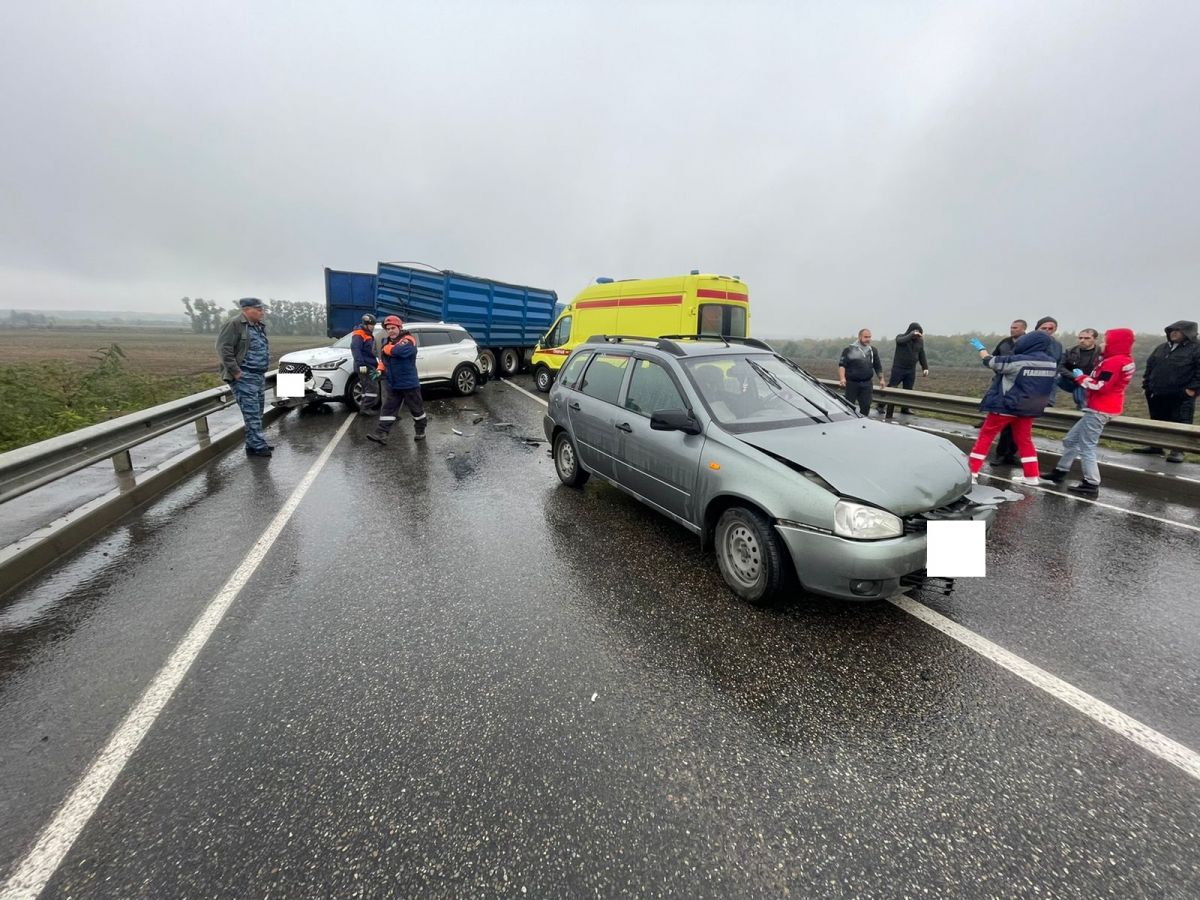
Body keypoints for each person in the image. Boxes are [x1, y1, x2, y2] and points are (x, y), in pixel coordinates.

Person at [1043, 328, 1135, 496]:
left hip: (1101, 408)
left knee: (1087, 446)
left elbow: (1101, 386)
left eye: (1106, 341)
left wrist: (1081, 377)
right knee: (1071, 440)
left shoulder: (1114, 362)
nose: (1103, 344)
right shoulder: (1122, 360)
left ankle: (1091, 483)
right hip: (1102, 407)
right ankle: (1060, 471)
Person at [964, 330, 1057, 483]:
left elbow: (990, 361)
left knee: (986, 436)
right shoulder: (1051, 363)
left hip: (1007, 406)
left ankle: (972, 472)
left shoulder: (1017, 361)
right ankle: (1032, 475)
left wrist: (981, 349)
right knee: (1025, 440)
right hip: (1029, 408)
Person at [1133, 320, 1200, 462]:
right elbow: (1150, 366)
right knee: (1157, 420)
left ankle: (1177, 450)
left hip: (1181, 394)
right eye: (1171, 330)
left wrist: (1192, 390)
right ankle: (1156, 446)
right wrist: (1147, 385)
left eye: (1178, 330)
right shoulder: (1162, 347)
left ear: (1188, 333)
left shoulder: (1196, 348)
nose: (1173, 332)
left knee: (1180, 421)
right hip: (1157, 392)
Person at [217, 298, 273, 458]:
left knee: (258, 411)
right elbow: (223, 349)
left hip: (258, 376)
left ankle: (253, 443)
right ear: (246, 309)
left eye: (262, 309)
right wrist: (236, 372)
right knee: (252, 414)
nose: (262, 312)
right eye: (259, 309)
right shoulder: (234, 324)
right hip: (244, 377)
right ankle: (258, 446)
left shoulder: (258, 327)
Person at [367, 315, 427, 444]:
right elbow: (384, 361)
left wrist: (387, 348)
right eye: (388, 329)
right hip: (393, 383)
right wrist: (379, 370)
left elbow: (401, 352)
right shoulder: (387, 342)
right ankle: (381, 433)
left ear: (400, 327)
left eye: (393, 328)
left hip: (409, 384)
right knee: (388, 409)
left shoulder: (408, 339)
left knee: (417, 410)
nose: (390, 331)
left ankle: (420, 431)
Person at [991, 319, 1028, 465]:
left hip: (1022, 386)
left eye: (1015, 328)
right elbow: (994, 358)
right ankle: (1000, 454)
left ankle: (1011, 454)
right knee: (1005, 422)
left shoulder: (1028, 343)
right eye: (1011, 327)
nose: (1012, 330)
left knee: (1019, 425)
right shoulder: (1005, 342)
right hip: (1003, 385)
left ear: (1024, 329)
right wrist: (1001, 370)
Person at [878, 322, 928, 414]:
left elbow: (921, 354)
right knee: (892, 387)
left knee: (908, 389)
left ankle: (905, 408)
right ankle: (881, 405)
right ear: (911, 331)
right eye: (917, 332)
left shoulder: (920, 341)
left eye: (919, 333)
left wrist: (925, 367)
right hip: (899, 368)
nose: (918, 335)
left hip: (911, 369)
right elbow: (900, 341)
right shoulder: (901, 337)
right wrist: (911, 335)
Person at [838, 328, 884, 415]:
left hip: (867, 384)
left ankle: (863, 423)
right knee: (849, 406)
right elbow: (842, 365)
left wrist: (881, 379)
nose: (868, 339)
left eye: (869, 337)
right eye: (866, 337)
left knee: (866, 406)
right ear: (859, 337)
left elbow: (877, 366)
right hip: (852, 383)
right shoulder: (848, 350)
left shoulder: (873, 350)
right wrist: (842, 378)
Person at [1059, 329, 1101, 410]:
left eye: (1087, 338)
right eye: (1080, 338)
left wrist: (1085, 379)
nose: (1082, 340)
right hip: (1073, 380)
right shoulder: (1070, 351)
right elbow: (1060, 367)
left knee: (1082, 391)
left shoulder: (1101, 352)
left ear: (1095, 339)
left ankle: (1084, 409)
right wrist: (1075, 377)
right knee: (1056, 378)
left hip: (1093, 381)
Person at [350, 314, 380, 414]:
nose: (373, 327)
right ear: (366, 324)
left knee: (367, 388)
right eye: (372, 325)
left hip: (371, 366)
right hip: (365, 366)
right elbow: (356, 349)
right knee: (372, 387)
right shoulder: (359, 334)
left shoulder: (367, 333)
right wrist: (361, 364)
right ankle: (366, 408)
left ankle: (365, 407)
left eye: (374, 325)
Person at [1034, 317, 1064, 407]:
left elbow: (1058, 362)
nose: (1047, 330)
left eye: (1050, 328)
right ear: (1037, 328)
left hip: (1048, 377)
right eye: (1044, 328)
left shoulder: (1057, 345)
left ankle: (1049, 403)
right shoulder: (1026, 341)